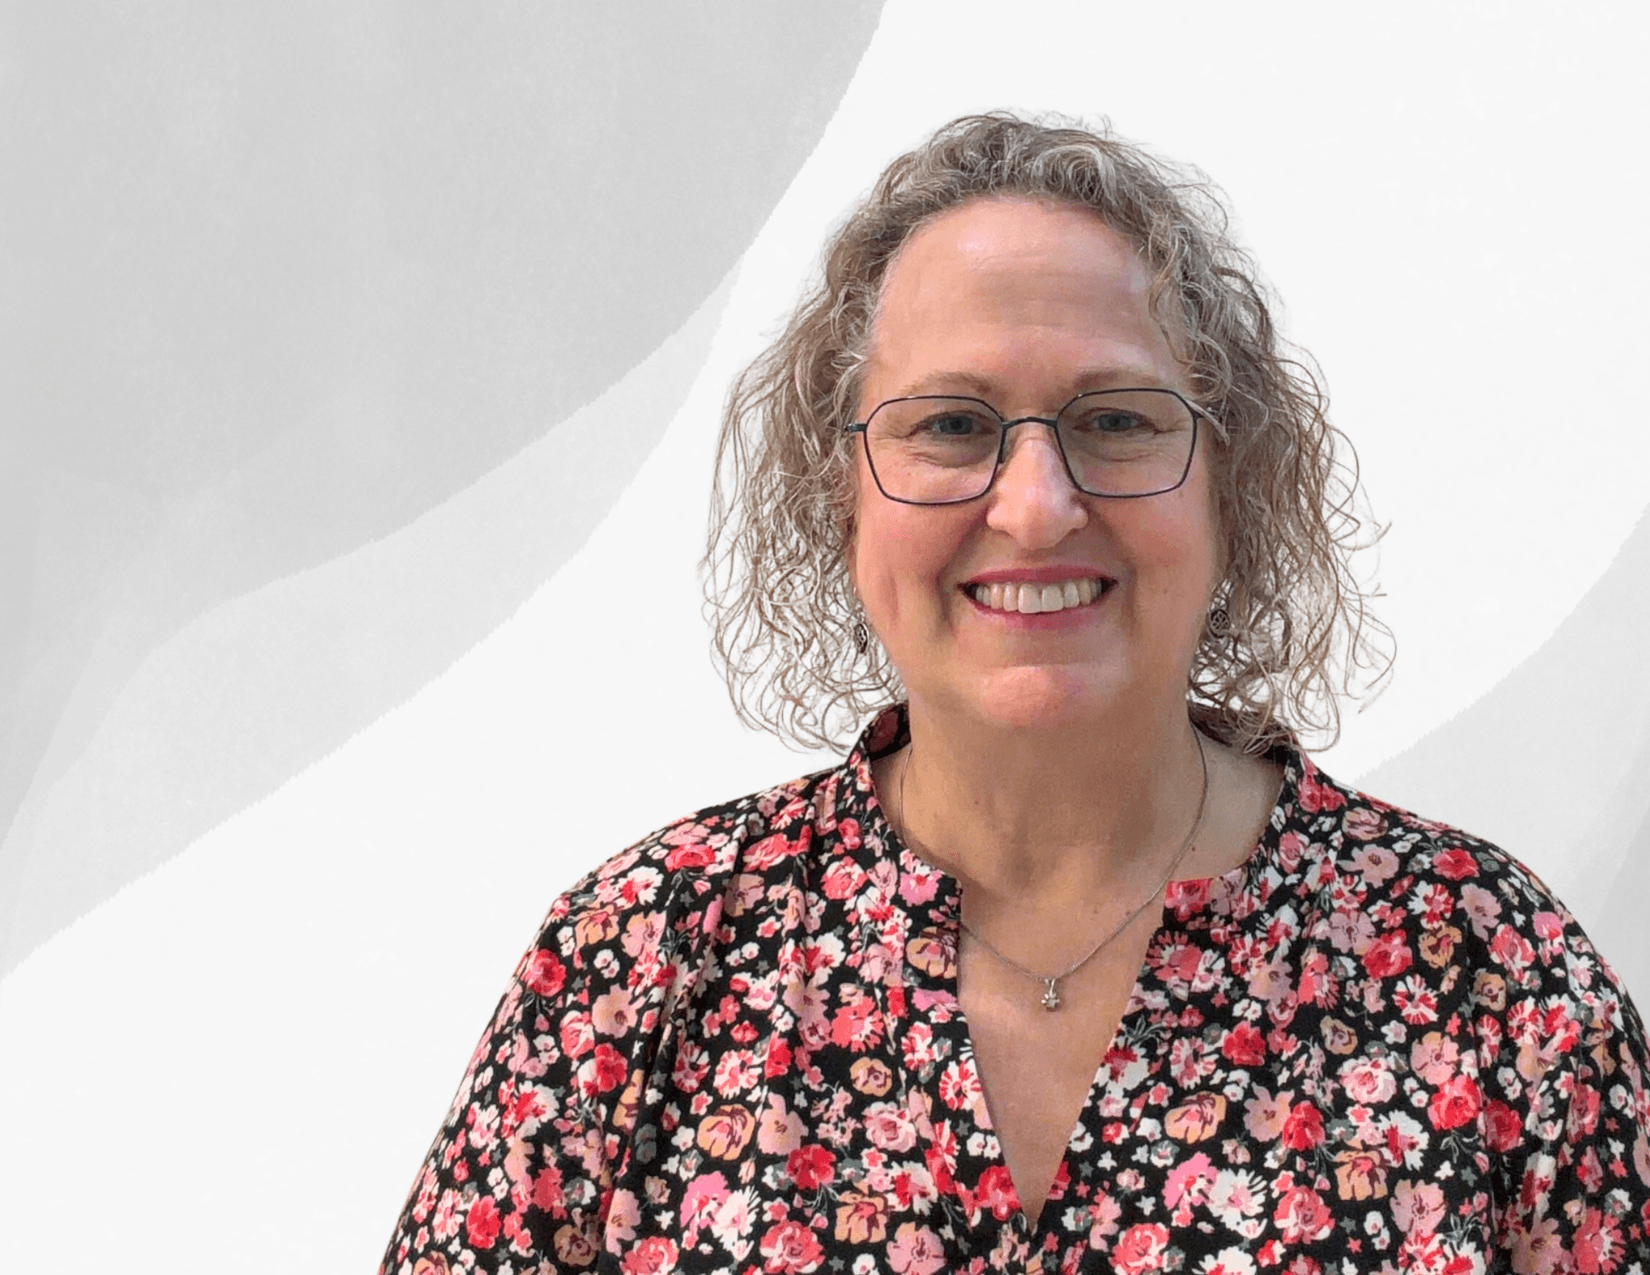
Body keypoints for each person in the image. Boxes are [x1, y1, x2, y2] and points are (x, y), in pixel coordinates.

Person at [379, 114, 1650, 1275]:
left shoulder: (1490, 977)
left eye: (1115, 421)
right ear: (842, 497)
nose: (1037, 504)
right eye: (949, 426)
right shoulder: (636, 963)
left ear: (1231, 485)